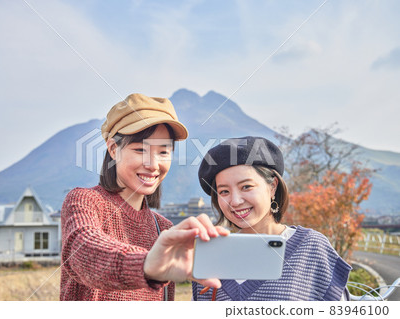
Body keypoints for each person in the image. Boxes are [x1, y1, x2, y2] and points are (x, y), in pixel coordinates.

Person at [60, 93, 229, 301]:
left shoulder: (164, 229)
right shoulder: (85, 202)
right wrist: (147, 264)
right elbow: (84, 251)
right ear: (113, 149)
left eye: (163, 152)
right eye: (140, 150)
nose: (153, 164)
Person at [192, 136, 352, 301]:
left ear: (272, 187)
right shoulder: (210, 254)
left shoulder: (311, 248)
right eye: (224, 191)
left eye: (246, 187)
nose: (234, 201)